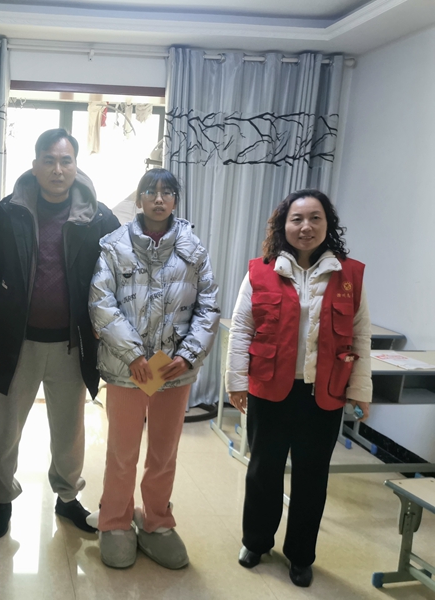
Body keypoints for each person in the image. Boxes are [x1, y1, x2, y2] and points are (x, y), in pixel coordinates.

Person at [0, 128, 120, 538]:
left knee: (70, 430)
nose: (57, 169)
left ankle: (67, 497)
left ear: (76, 165)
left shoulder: (99, 217)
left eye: (65, 161)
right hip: (15, 340)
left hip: (73, 343)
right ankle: (3, 498)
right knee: (7, 428)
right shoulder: (10, 212)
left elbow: (118, 274)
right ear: (35, 165)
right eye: (49, 161)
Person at [225, 189, 372, 587]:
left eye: (315, 218)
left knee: (312, 478)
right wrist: (236, 381)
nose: (306, 226)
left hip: (322, 394)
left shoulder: (349, 275)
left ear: (328, 224)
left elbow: (360, 336)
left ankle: (301, 556)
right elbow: (242, 329)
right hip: (270, 390)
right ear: (283, 225)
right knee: (264, 470)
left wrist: (360, 390)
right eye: (297, 219)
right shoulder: (260, 271)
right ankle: (256, 541)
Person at [89, 168, 219, 569]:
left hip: (174, 372)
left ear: (176, 199)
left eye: (167, 192)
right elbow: (101, 302)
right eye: (151, 191)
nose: (159, 199)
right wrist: (133, 355)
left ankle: (157, 521)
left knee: (164, 453)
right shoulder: (114, 246)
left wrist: (189, 354)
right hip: (129, 370)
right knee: (122, 452)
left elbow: (209, 305)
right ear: (140, 198)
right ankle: (115, 521)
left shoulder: (194, 248)